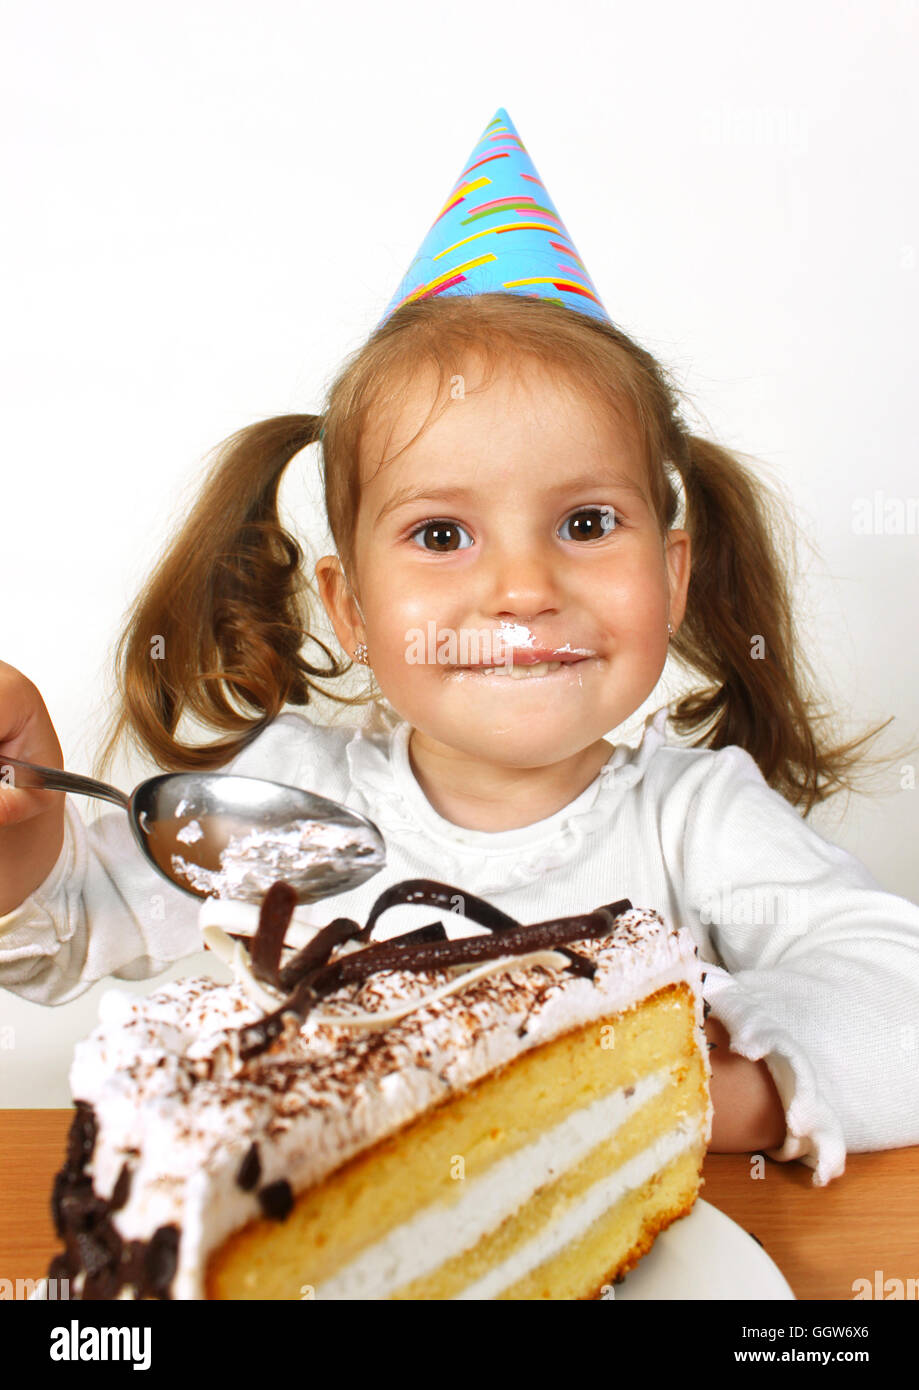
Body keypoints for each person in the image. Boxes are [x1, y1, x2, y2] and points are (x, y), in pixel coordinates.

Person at [2, 110, 918, 1189]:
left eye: (585, 523)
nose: (523, 589)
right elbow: (62, 933)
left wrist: (702, 1090)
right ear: (347, 604)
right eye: (441, 535)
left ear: (670, 576)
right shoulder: (286, 800)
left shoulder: (695, 820)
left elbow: (897, 1001)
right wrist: (26, 828)